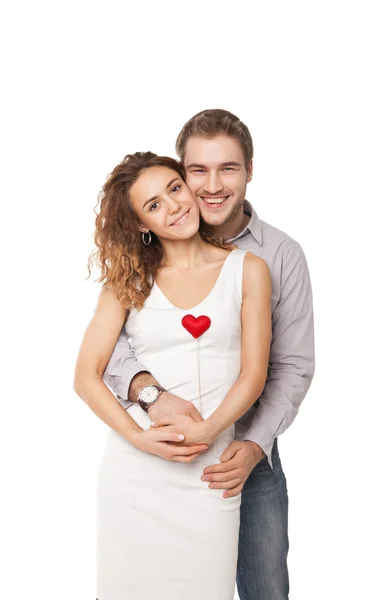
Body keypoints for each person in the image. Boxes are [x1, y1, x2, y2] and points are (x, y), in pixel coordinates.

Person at [104, 109, 315, 600]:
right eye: (198, 171)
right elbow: (109, 348)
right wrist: (150, 395)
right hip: (161, 459)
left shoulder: (277, 257)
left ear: (250, 171)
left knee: (264, 590)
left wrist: (255, 444)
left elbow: (292, 366)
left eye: (229, 168)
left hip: (246, 456)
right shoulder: (146, 250)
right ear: (181, 173)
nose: (213, 185)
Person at [74, 151, 272, 600]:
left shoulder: (248, 269)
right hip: (135, 479)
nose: (174, 206)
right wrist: (137, 436)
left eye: (175, 188)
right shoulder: (130, 280)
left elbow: (254, 374)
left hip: (210, 473)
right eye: (154, 205)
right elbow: (87, 374)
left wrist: (207, 430)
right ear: (142, 224)